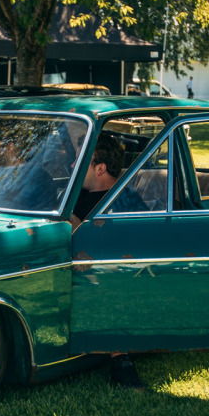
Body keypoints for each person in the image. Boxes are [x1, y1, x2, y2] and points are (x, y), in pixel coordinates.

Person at [69, 133, 146, 391]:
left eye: (81, 162)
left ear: (100, 168)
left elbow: (133, 253)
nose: (72, 167)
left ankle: (121, 362)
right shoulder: (77, 195)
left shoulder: (124, 200)